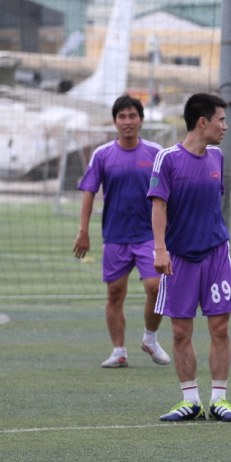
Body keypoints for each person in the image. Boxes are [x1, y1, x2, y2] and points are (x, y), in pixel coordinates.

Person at [148, 93, 231, 423]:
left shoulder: (216, 158)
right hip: (179, 258)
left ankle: (220, 400)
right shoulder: (167, 159)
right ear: (202, 122)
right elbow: (158, 207)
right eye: (221, 120)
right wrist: (160, 250)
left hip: (216, 253)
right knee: (179, 332)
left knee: (220, 327)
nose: (225, 126)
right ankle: (190, 400)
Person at [74, 93, 170, 369]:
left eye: (132, 116)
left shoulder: (156, 153)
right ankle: (119, 351)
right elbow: (89, 192)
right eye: (122, 117)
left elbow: (168, 193)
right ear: (115, 121)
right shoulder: (102, 154)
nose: (127, 121)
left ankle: (150, 339)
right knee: (115, 293)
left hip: (148, 235)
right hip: (115, 236)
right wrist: (83, 230)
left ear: (141, 120)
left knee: (155, 286)